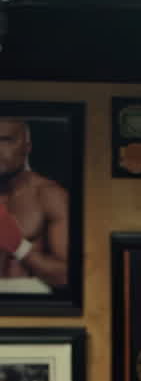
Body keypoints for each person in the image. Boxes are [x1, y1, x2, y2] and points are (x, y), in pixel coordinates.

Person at [0, 117, 69, 292]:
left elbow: (66, 276)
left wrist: (18, 245)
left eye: (6, 140)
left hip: (30, 302)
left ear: (27, 147)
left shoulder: (49, 195)